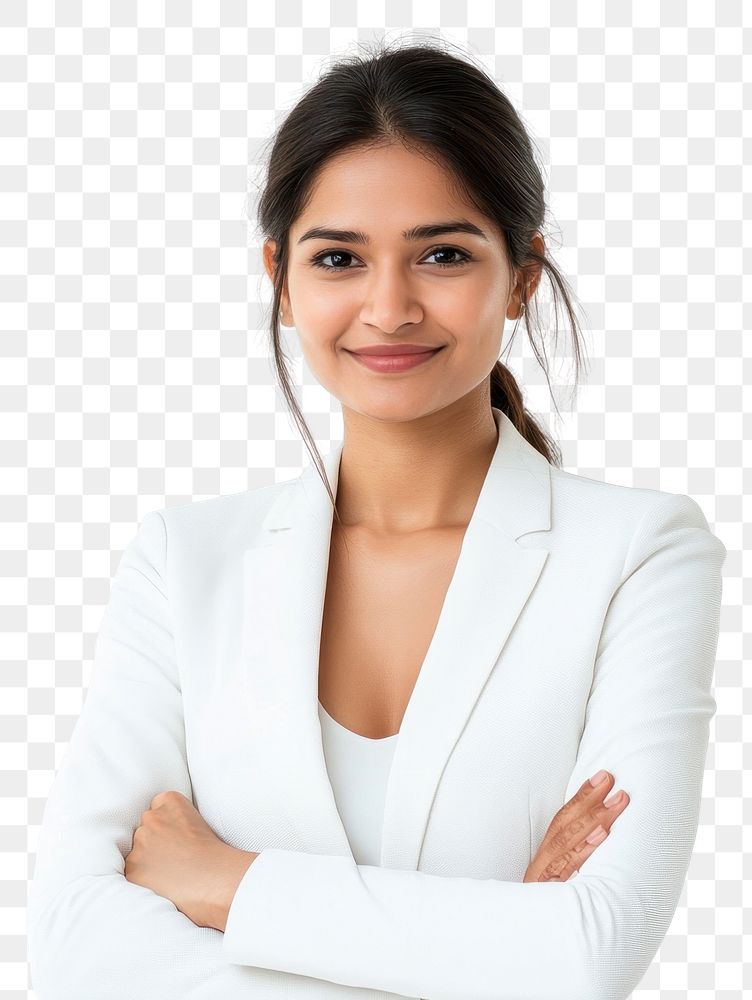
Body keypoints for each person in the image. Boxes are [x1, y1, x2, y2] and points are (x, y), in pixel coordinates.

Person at [27, 38, 726, 1000]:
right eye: (339, 258)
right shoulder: (184, 564)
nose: (389, 307)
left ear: (522, 274)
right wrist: (485, 949)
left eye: (443, 254)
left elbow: (588, 954)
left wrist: (230, 884)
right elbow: (73, 949)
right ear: (281, 277)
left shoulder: (639, 554)